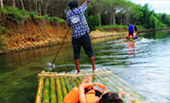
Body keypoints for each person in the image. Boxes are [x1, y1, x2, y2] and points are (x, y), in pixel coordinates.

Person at [66, 0, 96, 73]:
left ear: (70, 7)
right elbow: (88, 1)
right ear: (76, 5)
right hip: (84, 35)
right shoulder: (80, 10)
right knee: (89, 51)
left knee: (76, 53)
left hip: (75, 37)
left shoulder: (68, 14)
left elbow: (69, 24)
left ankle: (78, 71)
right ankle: (94, 69)